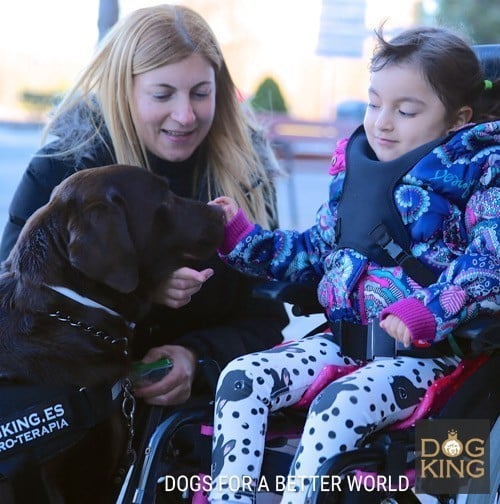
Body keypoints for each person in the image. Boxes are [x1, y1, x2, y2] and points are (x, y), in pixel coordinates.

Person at [207, 26, 500, 504]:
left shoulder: (482, 168)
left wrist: (427, 310)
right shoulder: (355, 170)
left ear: (456, 118)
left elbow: (489, 262)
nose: (382, 122)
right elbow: (314, 251)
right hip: (343, 344)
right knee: (240, 380)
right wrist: (241, 237)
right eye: (373, 103)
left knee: (336, 407)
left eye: (405, 111)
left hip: (431, 358)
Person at [0, 4, 288, 407]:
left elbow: (268, 313)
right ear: (124, 88)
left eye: (201, 93)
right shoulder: (66, 168)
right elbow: (19, 307)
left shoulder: (246, 176)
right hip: (78, 418)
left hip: (207, 413)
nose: (185, 115)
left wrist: (197, 358)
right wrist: (146, 289)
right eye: (162, 94)